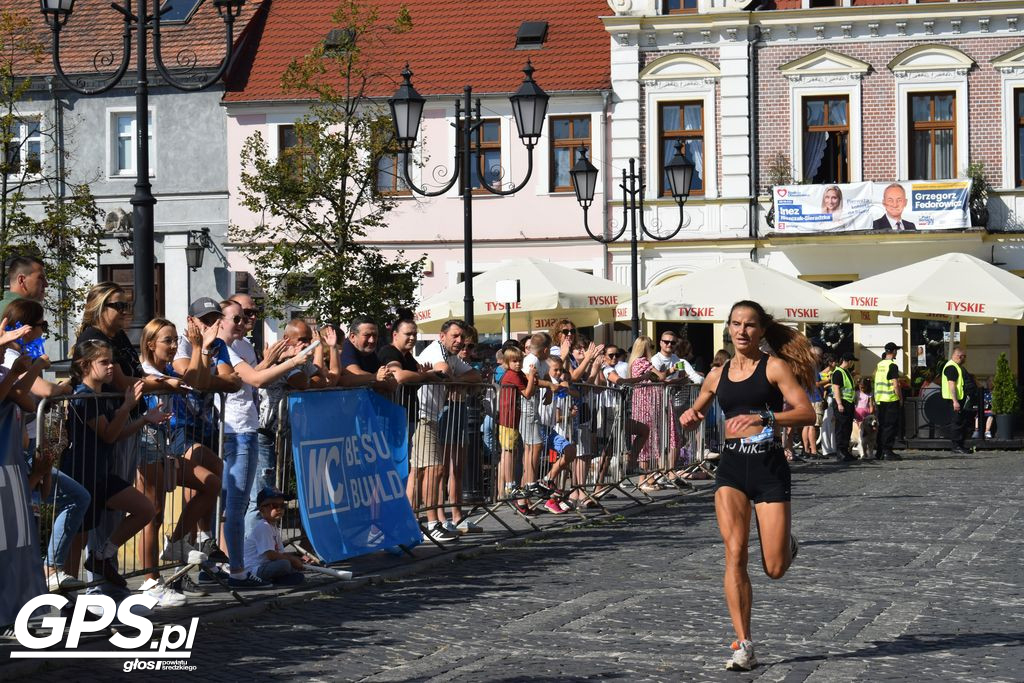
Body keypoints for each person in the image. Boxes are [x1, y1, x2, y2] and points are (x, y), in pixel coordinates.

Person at [679, 300, 815, 672]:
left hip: (770, 468)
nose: (742, 331)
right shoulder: (716, 374)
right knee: (735, 551)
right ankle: (744, 644)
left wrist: (766, 415)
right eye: (736, 324)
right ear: (728, 328)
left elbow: (808, 413)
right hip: (732, 468)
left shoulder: (775, 367)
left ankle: (787, 545)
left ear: (761, 330)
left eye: (750, 325)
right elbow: (698, 410)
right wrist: (691, 417)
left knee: (774, 568)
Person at [217, 299, 312, 589]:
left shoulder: (244, 346)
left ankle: (241, 564)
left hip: (249, 426)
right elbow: (256, 381)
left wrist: (271, 361)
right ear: (224, 320)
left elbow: (252, 376)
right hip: (238, 430)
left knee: (243, 501)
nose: (251, 318)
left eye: (254, 313)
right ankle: (241, 568)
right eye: (243, 315)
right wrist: (291, 363)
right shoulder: (223, 348)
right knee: (239, 505)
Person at [61, 340, 163, 589]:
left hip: (101, 473)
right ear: (85, 366)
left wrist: (144, 419)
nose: (110, 368)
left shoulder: (101, 395)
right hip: (82, 475)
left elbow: (115, 433)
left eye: (111, 361)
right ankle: (68, 599)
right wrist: (127, 406)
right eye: (103, 362)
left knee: (145, 509)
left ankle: (102, 555)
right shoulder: (85, 397)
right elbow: (108, 434)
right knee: (77, 541)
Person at [137, 318, 224, 606]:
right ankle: (150, 581)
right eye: (168, 341)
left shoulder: (170, 368)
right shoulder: (145, 370)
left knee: (211, 482)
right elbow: (184, 384)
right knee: (153, 511)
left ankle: (175, 544)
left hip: (168, 445)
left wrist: (200, 347)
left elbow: (197, 382)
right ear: (151, 344)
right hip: (145, 443)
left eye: (176, 340)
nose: (174, 346)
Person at [413, 319, 480, 539]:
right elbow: (441, 370)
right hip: (422, 415)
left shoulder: (450, 355)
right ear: (442, 336)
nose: (460, 341)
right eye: (455, 336)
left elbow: (475, 376)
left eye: (462, 337)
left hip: (430, 416)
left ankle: (421, 523)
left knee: (427, 471)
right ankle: (427, 523)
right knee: (428, 471)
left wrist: (455, 378)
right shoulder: (436, 351)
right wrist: (451, 379)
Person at [243, 487, 310, 586]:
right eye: (274, 505)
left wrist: (296, 560)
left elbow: (281, 553)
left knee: (290, 565)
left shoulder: (273, 527)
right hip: (254, 570)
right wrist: (292, 560)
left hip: (266, 566)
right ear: (262, 510)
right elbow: (271, 555)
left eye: (282, 505)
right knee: (285, 564)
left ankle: (278, 580)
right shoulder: (263, 527)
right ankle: (275, 580)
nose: (279, 509)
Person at [497, 346, 536, 501]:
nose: (518, 364)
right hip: (507, 419)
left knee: (511, 452)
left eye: (520, 361)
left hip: (513, 419)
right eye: (514, 361)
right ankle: (510, 484)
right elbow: (527, 393)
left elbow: (530, 388)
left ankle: (510, 483)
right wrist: (532, 377)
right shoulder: (511, 375)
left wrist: (533, 379)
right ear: (507, 362)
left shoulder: (518, 373)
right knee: (508, 452)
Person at [340, 316, 395, 390]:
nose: (372, 340)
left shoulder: (368, 352)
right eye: (367, 335)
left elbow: (392, 383)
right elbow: (355, 374)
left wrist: (379, 378)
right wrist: (375, 377)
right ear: (352, 337)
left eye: (375, 336)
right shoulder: (345, 348)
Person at [943, 346, 976, 455]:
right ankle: (956, 446)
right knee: (956, 423)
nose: (965, 359)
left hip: (958, 398)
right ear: (959, 356)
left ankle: (959, 445)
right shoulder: (951, 367)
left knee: (960, 422)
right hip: (954, 400)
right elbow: (951, 385)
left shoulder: (956, 366)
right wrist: (955, 401)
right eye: (964, 357)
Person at [874, 342, 903, 460]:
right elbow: (895, 384)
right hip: (891, 399)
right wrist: (900, 398)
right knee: (890, 426)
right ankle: (887, 451)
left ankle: (880, 451)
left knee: (882, 426)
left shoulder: (880, 364)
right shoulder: (892, 366)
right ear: (894, 352)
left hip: (880, 400)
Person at [831, 353, 857, 462]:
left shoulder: (846, 372)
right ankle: (840, 452)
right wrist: (839, 403)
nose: (853, 363)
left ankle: (845, 451)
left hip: (849, 403)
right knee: (841, 428)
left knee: (847, 428)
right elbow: (836, 389)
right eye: (852, 361)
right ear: (847, 361)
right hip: (842, 403)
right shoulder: (838, 372)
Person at [853, 377, 877, 460]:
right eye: (860, 386)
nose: (861, 388)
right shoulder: (857, 393)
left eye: (863, 387)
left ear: (867, 386)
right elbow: (855, 403)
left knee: (868, 432)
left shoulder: (869, 394)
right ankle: (863, 452)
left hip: (866, 414)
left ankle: (868, 452)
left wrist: (871, 412)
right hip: (858, 414)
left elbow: (871, 404)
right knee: (861, 432)